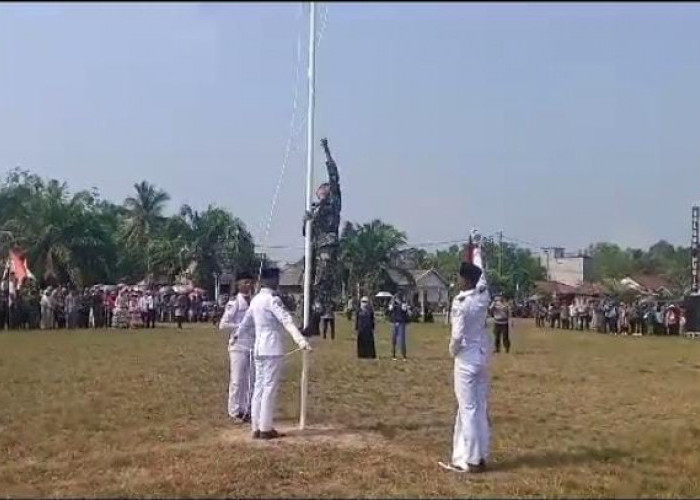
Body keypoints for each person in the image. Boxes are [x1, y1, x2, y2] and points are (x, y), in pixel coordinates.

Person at [237, 267, 311, 440]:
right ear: (272, 281)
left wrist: (236, 336)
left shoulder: (255, 300)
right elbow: (287, 321)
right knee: (269, 388)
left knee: (259, 388)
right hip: (272, 348)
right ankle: (265, 428)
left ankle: (256, 427)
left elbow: (246, 322)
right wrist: (301, 341)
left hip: (258, 348)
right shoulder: (272, 300)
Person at [444, 232, 491, 474]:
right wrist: (478, 251)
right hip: (483, 356)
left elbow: (457, 336)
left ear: (465, 280)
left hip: (466, 358)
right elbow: (482, 273)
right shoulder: (484, 296)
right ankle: (480, 454)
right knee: (480, 407)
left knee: (468, 409)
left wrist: (452, 351)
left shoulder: (461, 303)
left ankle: (470, 458)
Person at [303, 137, 342, 329]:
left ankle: (320, 309)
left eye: (324, 189)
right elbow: (306, 234)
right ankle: (309, 322)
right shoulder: (315, 210)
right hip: (314, 248)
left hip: (328, 245)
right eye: (320, 190)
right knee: (307, 284)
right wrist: (307, 220)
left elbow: (334, 175)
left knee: (322, 282)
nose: (322, 192)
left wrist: (326, 151)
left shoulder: (334, 202)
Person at [219, 271, 255, 423]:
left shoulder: (254, 301)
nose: (248, 285)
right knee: (237, 379)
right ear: (238, 285)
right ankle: (234, 411)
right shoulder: (235, 302)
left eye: (250, 282)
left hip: (252, 344)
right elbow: (223, 324)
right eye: (245, 282)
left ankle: (247, 409)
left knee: (250, 380)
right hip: (238, 344)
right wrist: (240, 326)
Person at [389, 293, 410, 361]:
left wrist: (400, 304)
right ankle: (393, 355)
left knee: (402, 340)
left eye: (397, 298)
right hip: (395, 323)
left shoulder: (403, 304)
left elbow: (404, 309)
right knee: (394, 339)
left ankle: (404, 355)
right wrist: (392, 303)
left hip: (401, 323)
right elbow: (390, 309)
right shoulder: (393, 305)